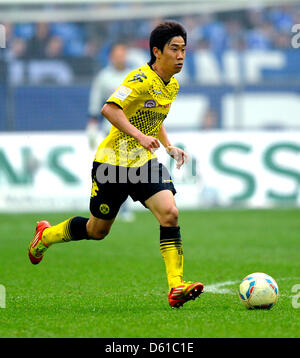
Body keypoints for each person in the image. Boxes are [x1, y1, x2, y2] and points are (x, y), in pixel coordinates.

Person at [28, 21, 204, 308]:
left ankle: (176, 286)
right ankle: (45, 236)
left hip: (143, 162)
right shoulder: (139, 79)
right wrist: (138, 135)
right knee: (98, 230)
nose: (181, 55)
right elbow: (108, 108)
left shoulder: (171, 85)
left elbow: (154, 117)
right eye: (175, 49)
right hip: (112, 164)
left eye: (184, 49)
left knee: (170, 213)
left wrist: (168, 145)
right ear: (157, 52)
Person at [86, 43, 135, 222]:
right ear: (111, 57)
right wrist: (91, 126)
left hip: (134, 129)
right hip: (112, 130)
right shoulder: (103, 77)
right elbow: (95, 102)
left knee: (127, 170)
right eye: (117, 54)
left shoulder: (134, 76)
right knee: (119, 169)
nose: (121, 57)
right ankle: (120, 206)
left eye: (123, 54)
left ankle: (121, 205)